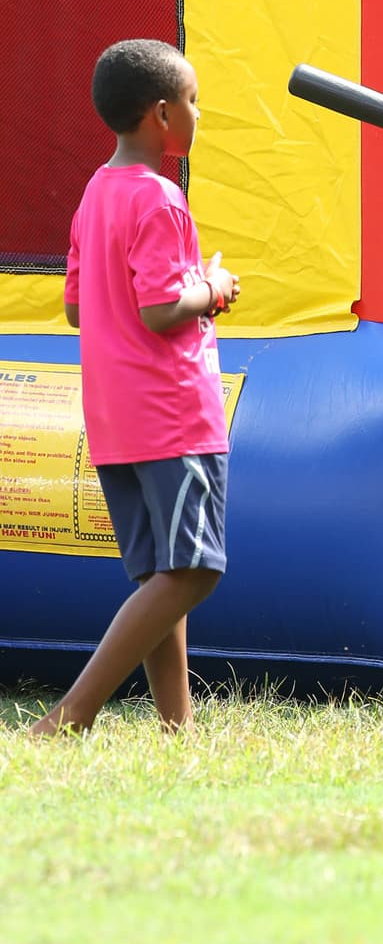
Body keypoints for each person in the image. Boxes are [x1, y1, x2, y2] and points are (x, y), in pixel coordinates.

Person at [29, 40, 240, 738]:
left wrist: (180, 288)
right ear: (161, 114)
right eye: (193, 101)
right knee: (194, 570)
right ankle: (71, 715)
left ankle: (176, 728)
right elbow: (158, 308)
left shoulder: (96, 192)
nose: (197, 113)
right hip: (172, 412)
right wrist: (211, 288)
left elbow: (78, 306)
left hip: (115, 419)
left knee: (161, 574)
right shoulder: (160, 198)